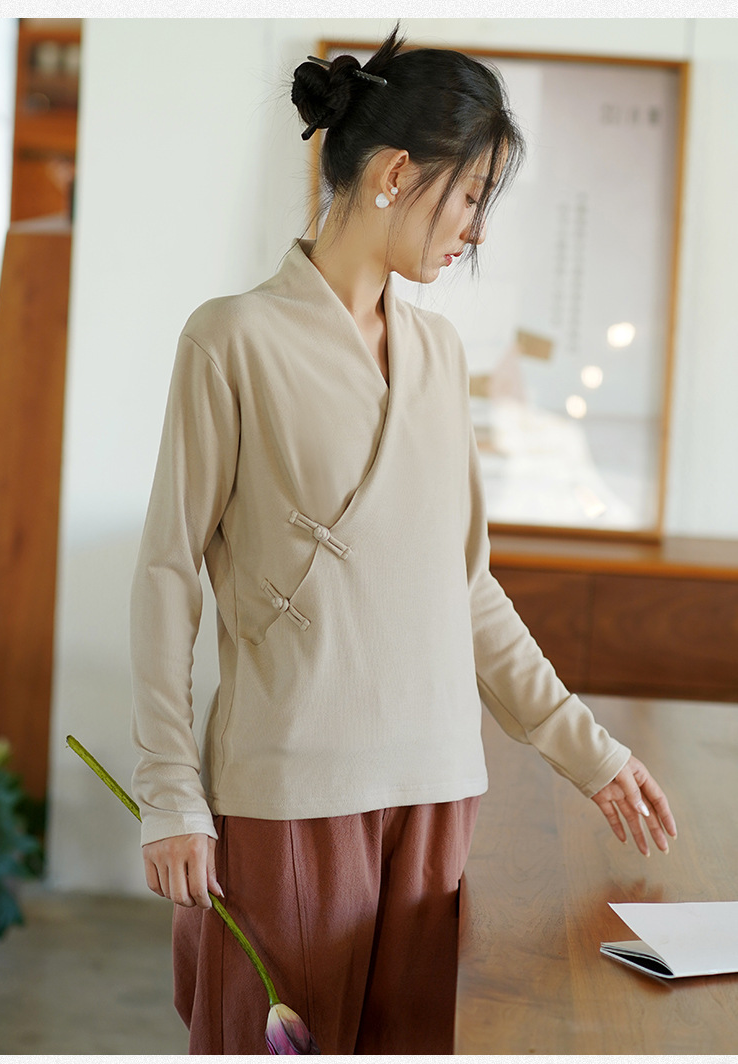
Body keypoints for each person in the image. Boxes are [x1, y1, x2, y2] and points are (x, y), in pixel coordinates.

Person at [130, 25, 677, 1056]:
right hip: (290, 795)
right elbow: (166, 575)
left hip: (437, 791)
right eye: (469, 197)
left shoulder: (440, 352)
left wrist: (589, 752)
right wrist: (171, 792)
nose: (475, 231)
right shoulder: (231, 339)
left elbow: (466, 589)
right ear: (393, 175)